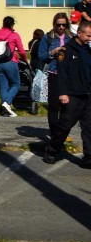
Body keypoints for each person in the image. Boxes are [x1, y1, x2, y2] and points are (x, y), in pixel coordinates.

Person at [42, 17, 91, 167]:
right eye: (88, 35)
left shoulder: (87, 50)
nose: (90, 38)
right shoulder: (67, 50)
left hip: (87, 94)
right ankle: (51, 150)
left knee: (89, 128)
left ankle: (88, 158)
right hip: (73, 95)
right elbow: (62, 73)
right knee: (64, 126)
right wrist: (63, 93)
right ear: (80, 34)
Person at [37, 12, 73, 147]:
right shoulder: (48, 38)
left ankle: (62, 133)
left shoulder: (71, 37)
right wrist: (52, 52)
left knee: (67, 107)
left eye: (64, 25)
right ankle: (54, 133)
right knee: (53, 106)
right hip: (54, 73)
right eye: (59, 25)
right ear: (54, 24)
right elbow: (40, 56)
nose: (61, 27)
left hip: (68, 76)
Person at [0, 16, 27, 117]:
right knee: (15, 84)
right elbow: (21, 51)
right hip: (10, 62)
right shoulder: (14, 35)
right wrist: (25, 60)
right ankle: (6, 103)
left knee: (4, 86)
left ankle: (4, 109)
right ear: (12, 24)